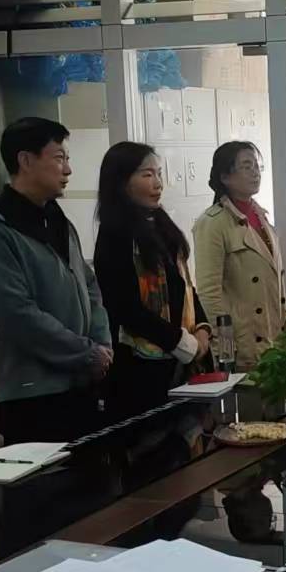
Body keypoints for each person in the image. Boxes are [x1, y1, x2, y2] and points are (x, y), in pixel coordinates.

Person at [0, 116, 111, 444]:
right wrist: (86, 353)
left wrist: (102, 346)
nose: (68, 169)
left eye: (67, 159)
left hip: (81, 381)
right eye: (59, 158)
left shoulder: (57, 219)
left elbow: (90, 286)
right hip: (32, 394)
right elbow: (16, 313)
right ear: (25, 161)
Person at [92, 141, 211, 418]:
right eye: (147, 175)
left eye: (159, 173)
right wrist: (181, 343)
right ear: (121, 181)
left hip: (181, 362)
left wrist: (202, 330)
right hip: (140, 370)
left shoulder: (161, 226)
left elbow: (185, 286)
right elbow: (125, 307)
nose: (158, 183)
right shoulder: (115, 235)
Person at [192, 141, 286, 368]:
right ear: (225, 177)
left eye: (257, 166)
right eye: (246, 166)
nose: (255, 172)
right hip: (240, 342)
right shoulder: (212, 223)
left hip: (271, 337)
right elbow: (209, 293)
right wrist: (225, 349)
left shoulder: (261, 216)